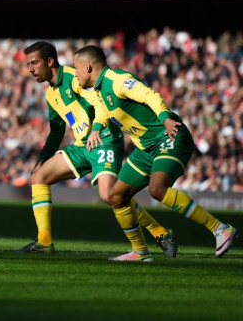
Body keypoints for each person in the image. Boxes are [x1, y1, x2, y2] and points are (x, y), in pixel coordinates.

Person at [76, 45, 238, 261]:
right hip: (146, 148)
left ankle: (220, 229)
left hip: (169, 135)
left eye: (75, 68)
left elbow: (149, 95)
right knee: (116, 196)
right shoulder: (99, 89)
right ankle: (140, 252)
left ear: (87, 67)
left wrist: (165, 118)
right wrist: (96, 129)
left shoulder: (117, 80)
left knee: (157, 189)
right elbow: (103, 112)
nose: (75, 73)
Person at [16, 41, 176, 258]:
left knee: (110, 195)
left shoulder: (74, 78)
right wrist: (43, 157)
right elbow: (56, 131)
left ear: (50, 61)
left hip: (104, 140)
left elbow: (101, 103)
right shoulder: (50, 94)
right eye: (28, 64)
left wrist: (97, 129)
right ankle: (44, 241)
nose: (30, 69)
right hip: (82, 145)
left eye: (34, 63)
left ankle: (159, 232)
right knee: (39, 176)